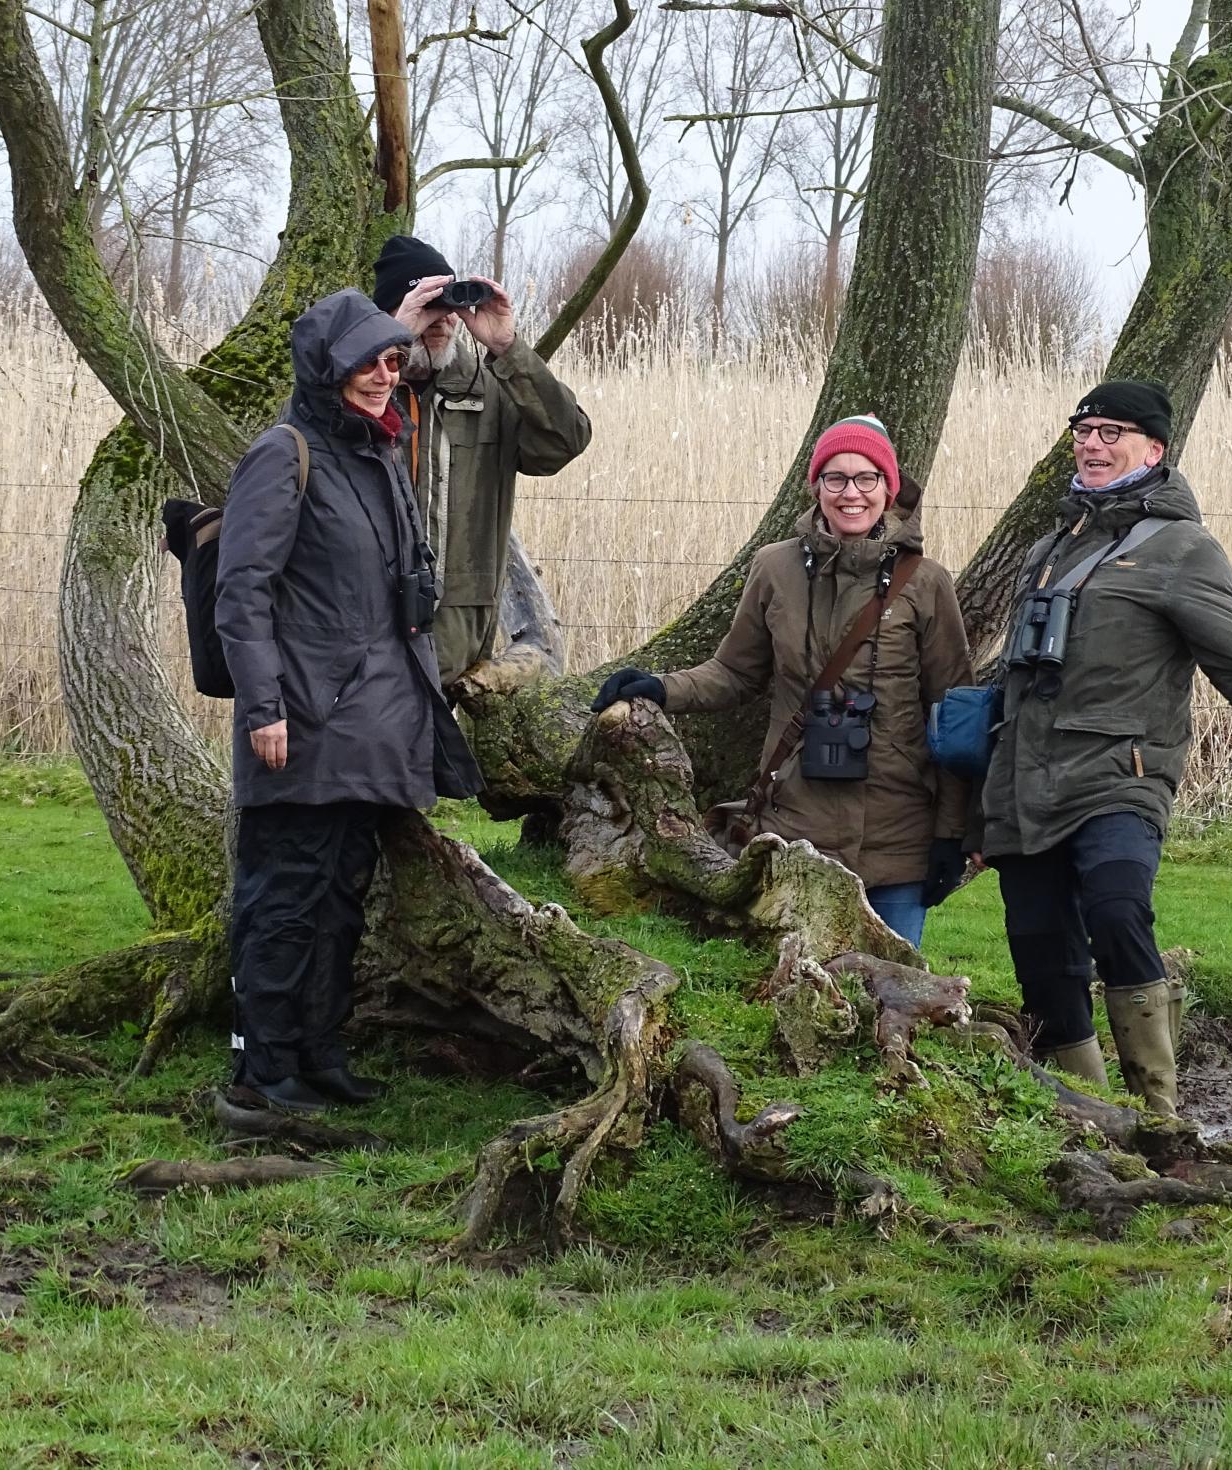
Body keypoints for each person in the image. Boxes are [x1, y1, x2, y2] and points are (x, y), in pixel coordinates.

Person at [980, 379, 1232, 1115]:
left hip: (1122, 773)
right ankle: (1088, 1118)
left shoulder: (1181, 548)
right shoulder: (1048, 548)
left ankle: (1158, 1114)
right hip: (1026, 781)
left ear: (1155, 447)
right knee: (1041, 948)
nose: (1091, 443)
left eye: (1111, 431)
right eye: (1083, 429)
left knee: (1117, 911)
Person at [216, 287, 484, 1114]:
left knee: (341, 901)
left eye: (392, 360)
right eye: (366, 361)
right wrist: (263, 709)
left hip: (376, 727)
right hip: (301, 728)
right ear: (325, 366)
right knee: (284, 901)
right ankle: (262, 1075)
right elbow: (241, 592)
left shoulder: (378, 457)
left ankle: (320, 1053)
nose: (381, 374)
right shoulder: (284, 452)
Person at [591, 415, 974, 947]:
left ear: (889, 489)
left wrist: (952, 833)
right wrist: (660, 687)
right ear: (815, 487)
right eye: (835, 479)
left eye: (867, 479)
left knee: (889, 991)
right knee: (794, 988)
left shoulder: (927, 583)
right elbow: (734, 672)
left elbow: (953, 715)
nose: (851, 493)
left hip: (899, 830)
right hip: (795, 823)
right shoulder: (775, 568)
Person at [371, 236, 593, 685]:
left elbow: (564, 442)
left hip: (456, 641)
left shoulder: (485, 390)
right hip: (364, 633)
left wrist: (508, 349)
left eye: (447, 305)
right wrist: (387, 343)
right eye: (424, 307)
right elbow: (313, 442)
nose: (440, 321)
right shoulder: (361, 392)